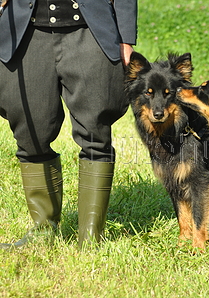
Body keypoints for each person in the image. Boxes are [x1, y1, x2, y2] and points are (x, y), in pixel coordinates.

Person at [0, 0, 137, 249]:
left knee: (96, 134)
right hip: (25, 32)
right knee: (31, 131)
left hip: (90, 30)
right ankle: (43, 233)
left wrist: (126, 36)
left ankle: (91, 237)